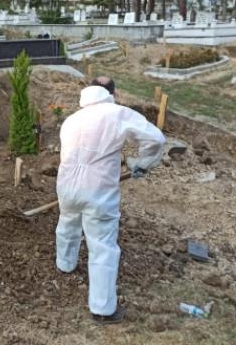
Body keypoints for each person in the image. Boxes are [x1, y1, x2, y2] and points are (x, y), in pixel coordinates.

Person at [55, 77, 165, 324]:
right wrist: (142, 163)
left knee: (68, 225)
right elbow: (156, 139)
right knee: (102, 246)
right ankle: (103, 310)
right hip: (98, 191)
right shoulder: (117, 114)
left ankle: (65, 264)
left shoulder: (71, 120)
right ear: (112, 93)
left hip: (67, 186)